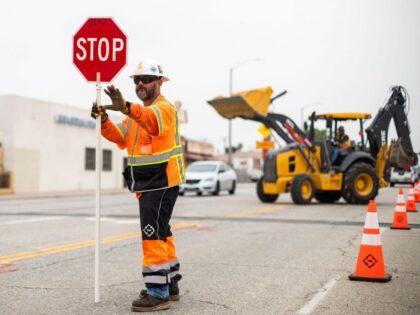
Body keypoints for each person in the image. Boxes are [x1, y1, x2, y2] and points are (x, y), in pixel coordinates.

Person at [91, 59, 185, 312]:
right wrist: (104, 122)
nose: (140, 83)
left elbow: (151, 121)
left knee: (151, 232)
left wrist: (126, 107)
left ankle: (157, 293)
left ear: (159, 82)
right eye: (136, 80)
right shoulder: (135, 115)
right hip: (149, 182)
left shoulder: (164, 108)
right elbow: (120, 137)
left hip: (161, 182)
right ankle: (170, 283)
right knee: (162, 231)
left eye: (145, 79)